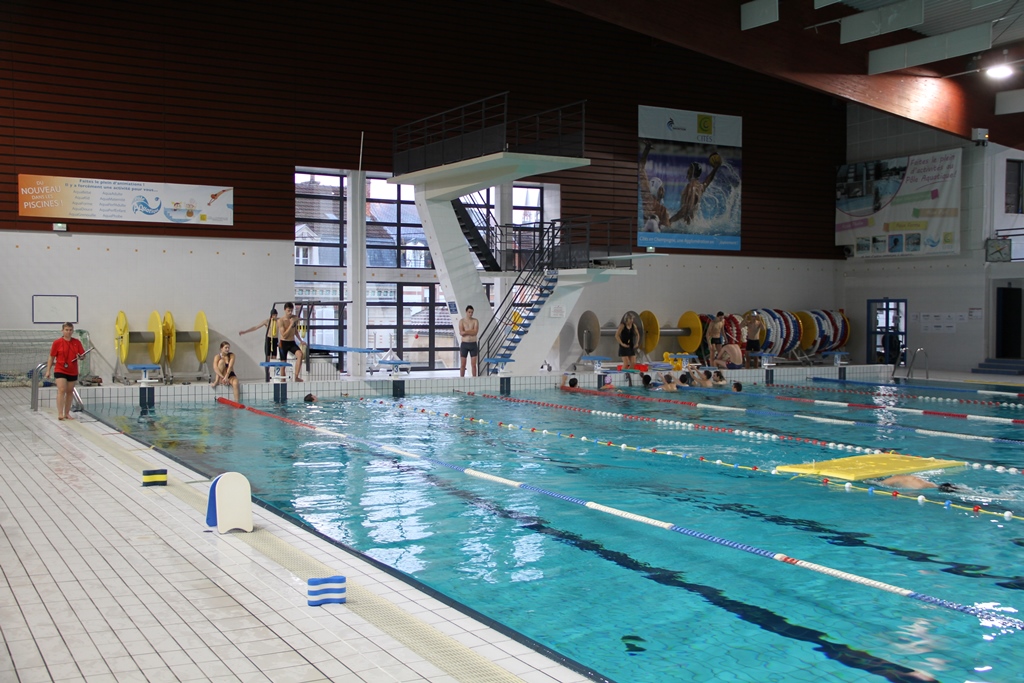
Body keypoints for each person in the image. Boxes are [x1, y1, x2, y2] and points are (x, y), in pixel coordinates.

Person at [45, 322, 87, 420]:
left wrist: (81, 357)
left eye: (70, 330)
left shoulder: (77, 342)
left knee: (69, 391)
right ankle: (60, 413)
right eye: (66, 330)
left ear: (73, 331)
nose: (68, 332)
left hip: (72, 370)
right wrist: (48, 370)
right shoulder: (57, 342)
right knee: (62, 390)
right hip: (60, 369)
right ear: (62, 331)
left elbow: (83, 355)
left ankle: (67, 413)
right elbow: (51, 357)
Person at [670, 152, 722, 225]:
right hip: (691, 225)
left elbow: (685, 211)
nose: (687, 171)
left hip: (685, 228)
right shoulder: (700, 186)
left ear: (692, 171)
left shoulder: (691, 186)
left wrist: (669, 221)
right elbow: (709, 179)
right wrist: (715, 168)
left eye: (689, 169)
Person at [638, 140, 672, 232]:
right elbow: (668, 230)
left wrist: (647, 149)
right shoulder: (663, 210)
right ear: (658, 190)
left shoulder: (646, 198)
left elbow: (641, 168)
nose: (664, 191)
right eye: (662, 188)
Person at [239, 307, 279, 381]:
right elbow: (255, 327)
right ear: (271, 315)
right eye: (273, 315)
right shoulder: (267, 321)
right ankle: (267, 375)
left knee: (274, 357)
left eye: (276, 315)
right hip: (268, 339)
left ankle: (274, 375)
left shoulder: (279, 321)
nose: (275, 317)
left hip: (275, 339)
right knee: (267, 358)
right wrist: (245, 331)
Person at [278, 302, 304, 382]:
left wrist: (301, 340)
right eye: (288, 311)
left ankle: (296, 377)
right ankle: (283, 382)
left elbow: (295, 331)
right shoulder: (281, 321)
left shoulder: (294, 318)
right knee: (283, 365)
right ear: (284, 310)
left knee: (300, 354)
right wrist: (290, 324)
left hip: (292, 342)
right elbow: (284, 335)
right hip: (283, 343)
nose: (290, 313)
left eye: (291, 311)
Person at [458, 305, 479, 377]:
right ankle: (461, 379)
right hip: (464, 344)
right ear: (466, 312)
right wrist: (471, 331)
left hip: (473, 344)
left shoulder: (475, 321)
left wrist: (466, 331)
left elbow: (475, 332)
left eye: (472, 312)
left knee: (473, 365)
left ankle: (474, 379)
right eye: (469, 312)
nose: (470, 314)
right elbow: (461, 333)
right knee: (463, 365)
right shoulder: (462, 321)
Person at [878, 475, 958, 492]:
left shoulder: (894, 479)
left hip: (920, 487)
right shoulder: (898, 477)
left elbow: (880, 484)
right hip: (932, 485)